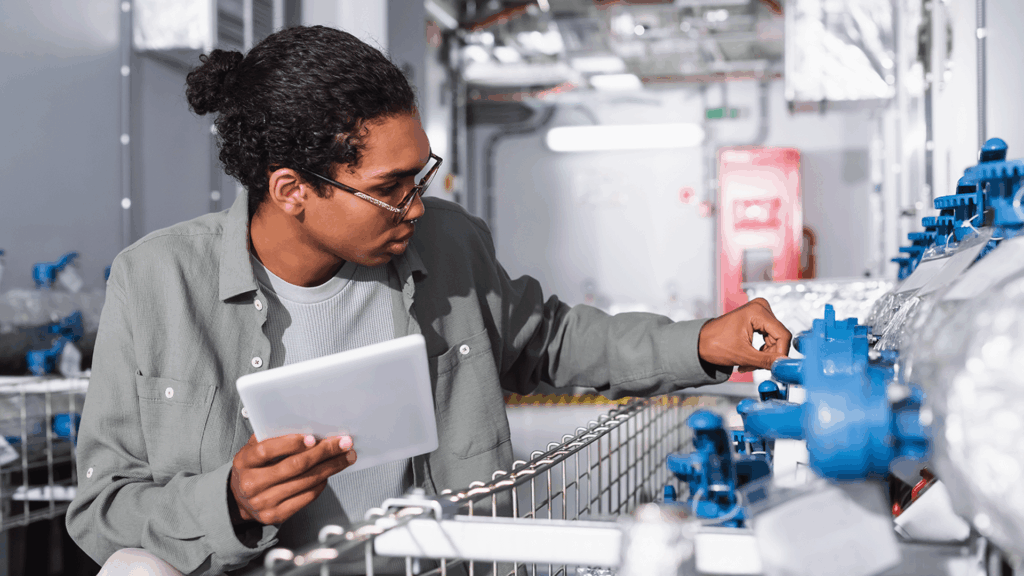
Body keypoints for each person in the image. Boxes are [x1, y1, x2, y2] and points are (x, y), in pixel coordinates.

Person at [67, 25, 791, 575]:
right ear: (292, 190)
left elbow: (549, 341)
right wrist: (230, 500)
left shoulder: (446, 244)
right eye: (389, 188)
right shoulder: (156, 281)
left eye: (421, 174)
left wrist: (700, 342)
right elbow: (103, 512)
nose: (416, 206)